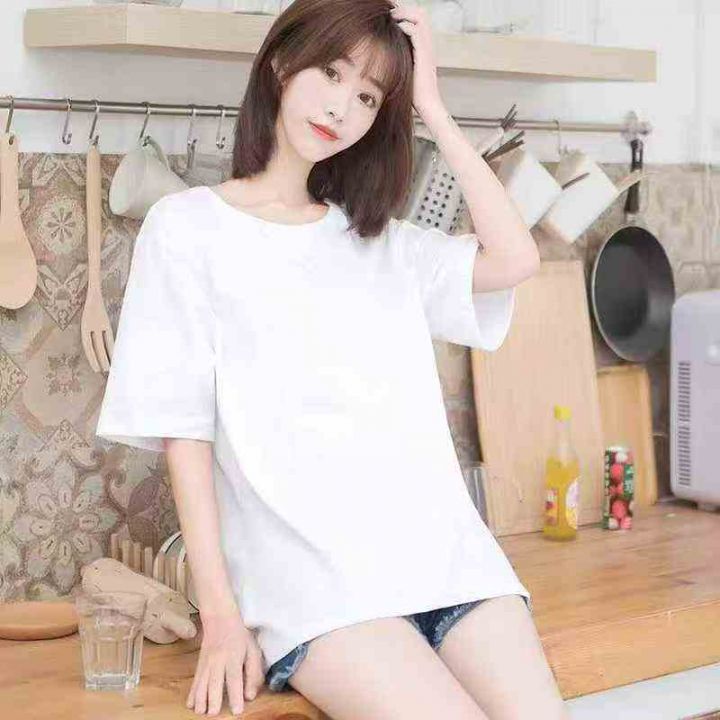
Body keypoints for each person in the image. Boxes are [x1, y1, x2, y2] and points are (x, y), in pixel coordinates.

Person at [96, 1, 569, 718]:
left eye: (370, 97)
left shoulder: (382, 243)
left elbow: (515, 257)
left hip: (448, 561)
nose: (342, 107)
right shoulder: (187, 229)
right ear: (282, 62)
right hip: (317, 589)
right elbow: (184, 432)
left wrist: (433, 108)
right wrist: (221, 618)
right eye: (332, 73)